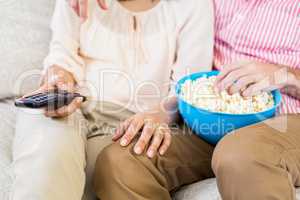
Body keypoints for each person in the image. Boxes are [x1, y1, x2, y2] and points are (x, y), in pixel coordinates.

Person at [70, 0, 300, 200]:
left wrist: (286, 74)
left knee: (239, 154)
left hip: (284, 120)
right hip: (207, 118)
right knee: (121, 162)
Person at [11, 0, 214, 200]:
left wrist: (159, 114)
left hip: (128, 123)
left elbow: (187, 87)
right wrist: (59, 78)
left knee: (98, 170)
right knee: (46, 148)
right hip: (74, 104)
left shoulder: (193, 6)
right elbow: (62, 53)